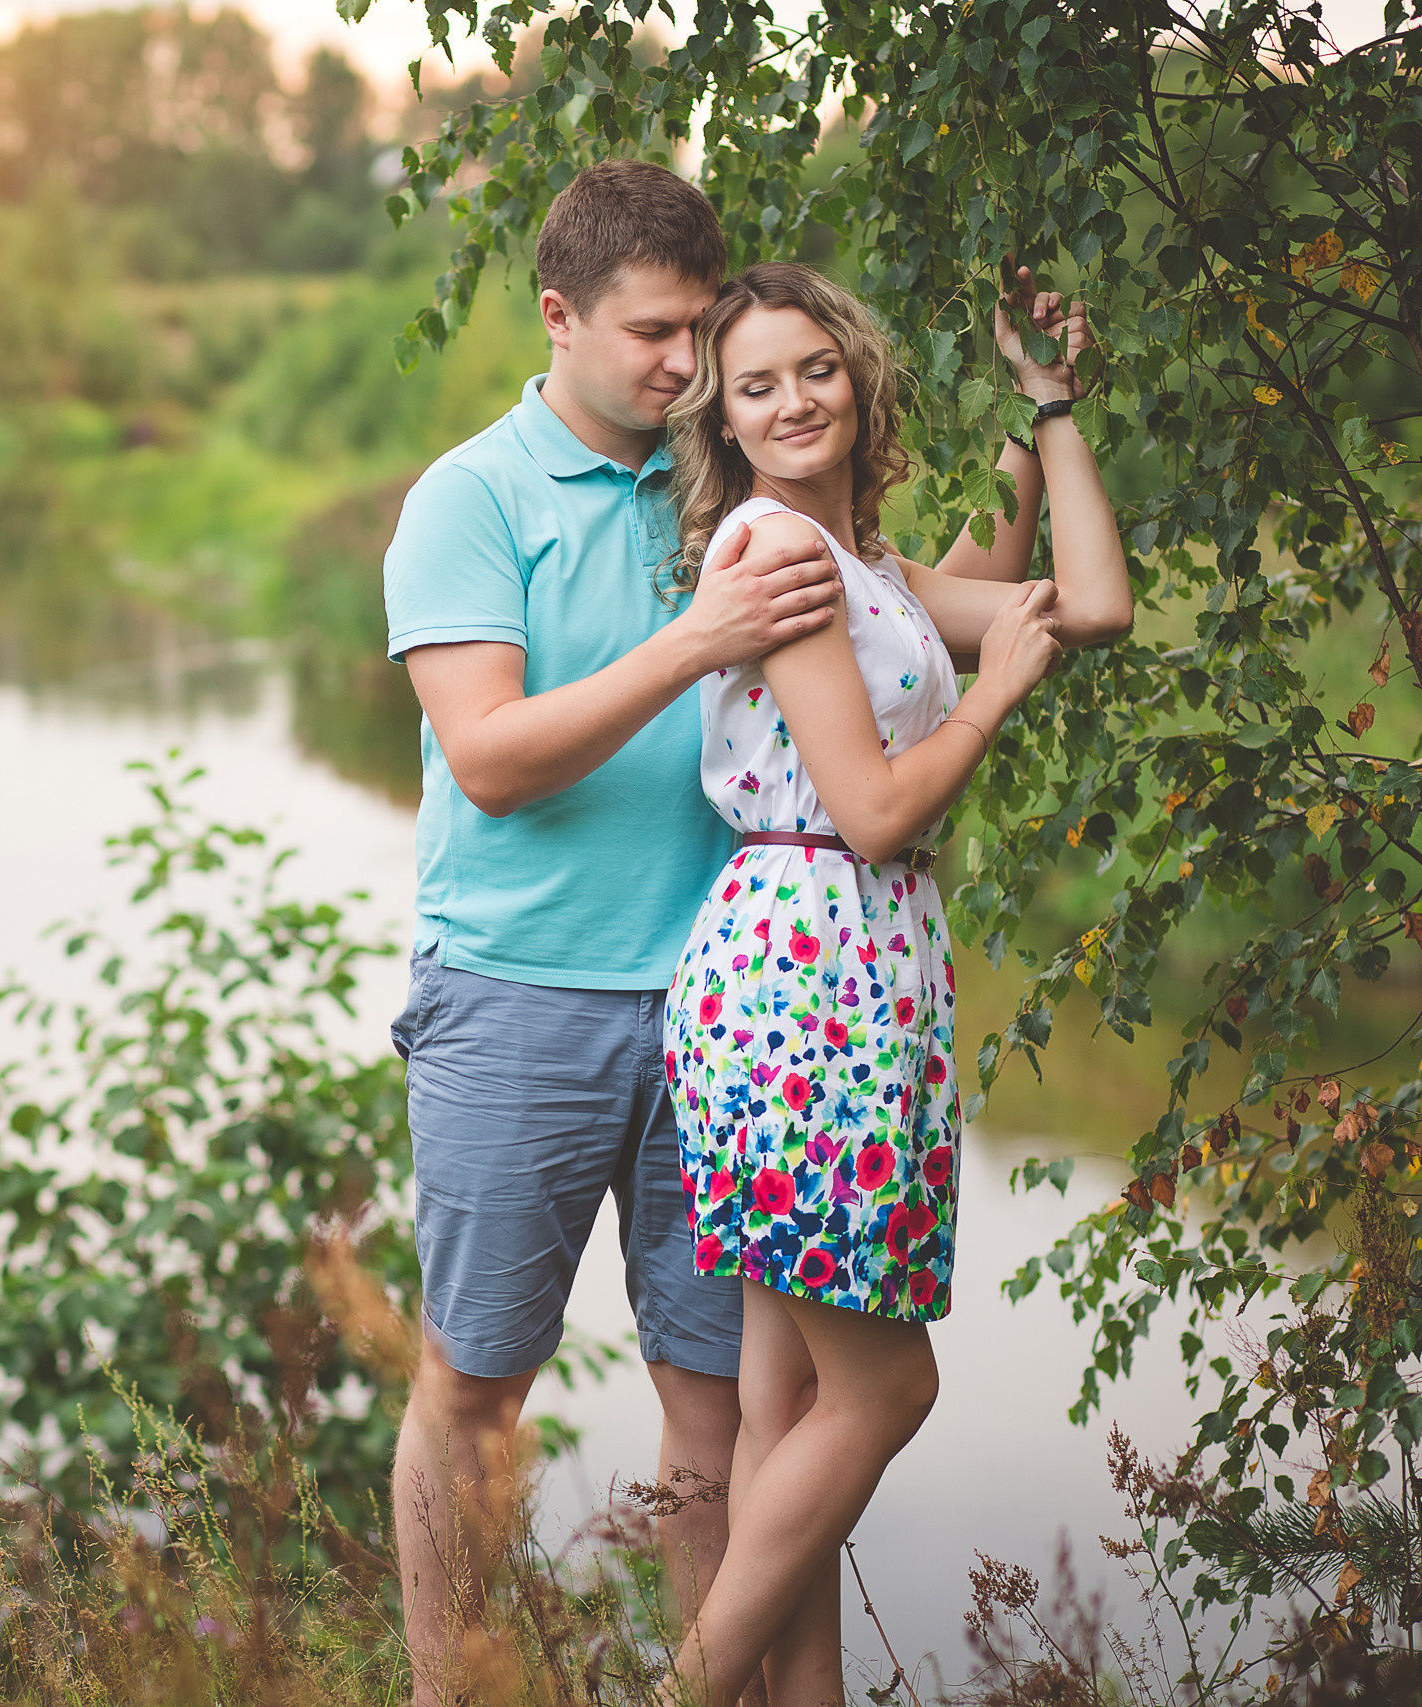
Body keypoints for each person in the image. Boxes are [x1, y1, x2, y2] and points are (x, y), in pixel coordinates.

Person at [381, 161, 850, 1705]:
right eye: (653, 333)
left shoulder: (724, 482)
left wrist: (1038, 452)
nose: (685, 365)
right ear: (558, 316)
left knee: (720, 1406)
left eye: (700, 331)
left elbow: (896, 618)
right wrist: (696, 640)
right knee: (475, 1390)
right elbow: (496, 760)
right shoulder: (470, 498)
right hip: (515, 1003)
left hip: (728, 1014)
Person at [655, 259, 1133, 1707]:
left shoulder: (853, 561)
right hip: (808, 993)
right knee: (888, 1389)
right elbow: (871, 809)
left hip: (845, 986)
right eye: (757, 385)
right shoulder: (778, 557)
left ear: (857, 380)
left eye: (817, 369)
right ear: (724, 421)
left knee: (786, 1398)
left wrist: (1046, 409)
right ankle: (679, 1693)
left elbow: (1088, 603)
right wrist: (994, 698)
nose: (794, 400)